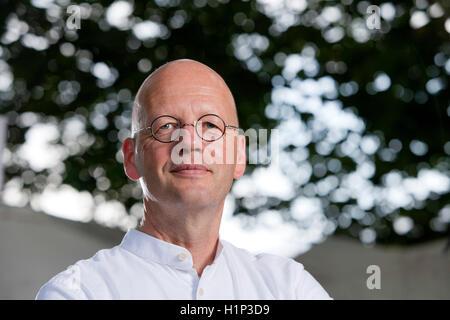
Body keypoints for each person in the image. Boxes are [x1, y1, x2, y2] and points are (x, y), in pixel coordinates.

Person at [36, 59, 332, 300]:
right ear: (131, 157)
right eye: (165, 126)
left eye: (211, 125)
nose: (189, 143)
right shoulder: (77, 293)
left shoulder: (289, 287)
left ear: (239, 156)